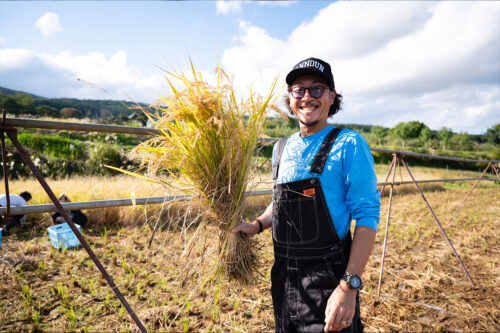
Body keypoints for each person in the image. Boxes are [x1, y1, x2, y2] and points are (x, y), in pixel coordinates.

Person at [232, 57, 380, 333]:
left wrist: (348, 288)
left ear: (332, 97)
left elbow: (367, 216)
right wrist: (258, 225)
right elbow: (281, 202)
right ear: (290, 98)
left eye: (317, 89)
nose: (307, 97)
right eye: (299, 89)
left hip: (328, 281)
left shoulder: (349, 143)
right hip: (285, 279)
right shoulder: (281, 148)